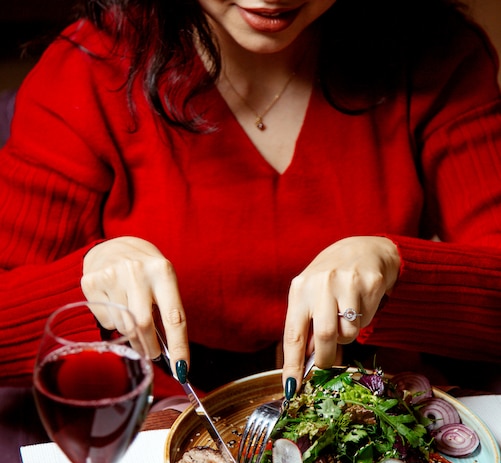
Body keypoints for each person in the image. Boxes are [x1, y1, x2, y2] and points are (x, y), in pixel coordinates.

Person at [1, 0, 501, 406]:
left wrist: (396, 263)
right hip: (153, 423)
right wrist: (87, 277)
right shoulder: (90, 69)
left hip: (384, 411)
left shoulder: (436, 52)